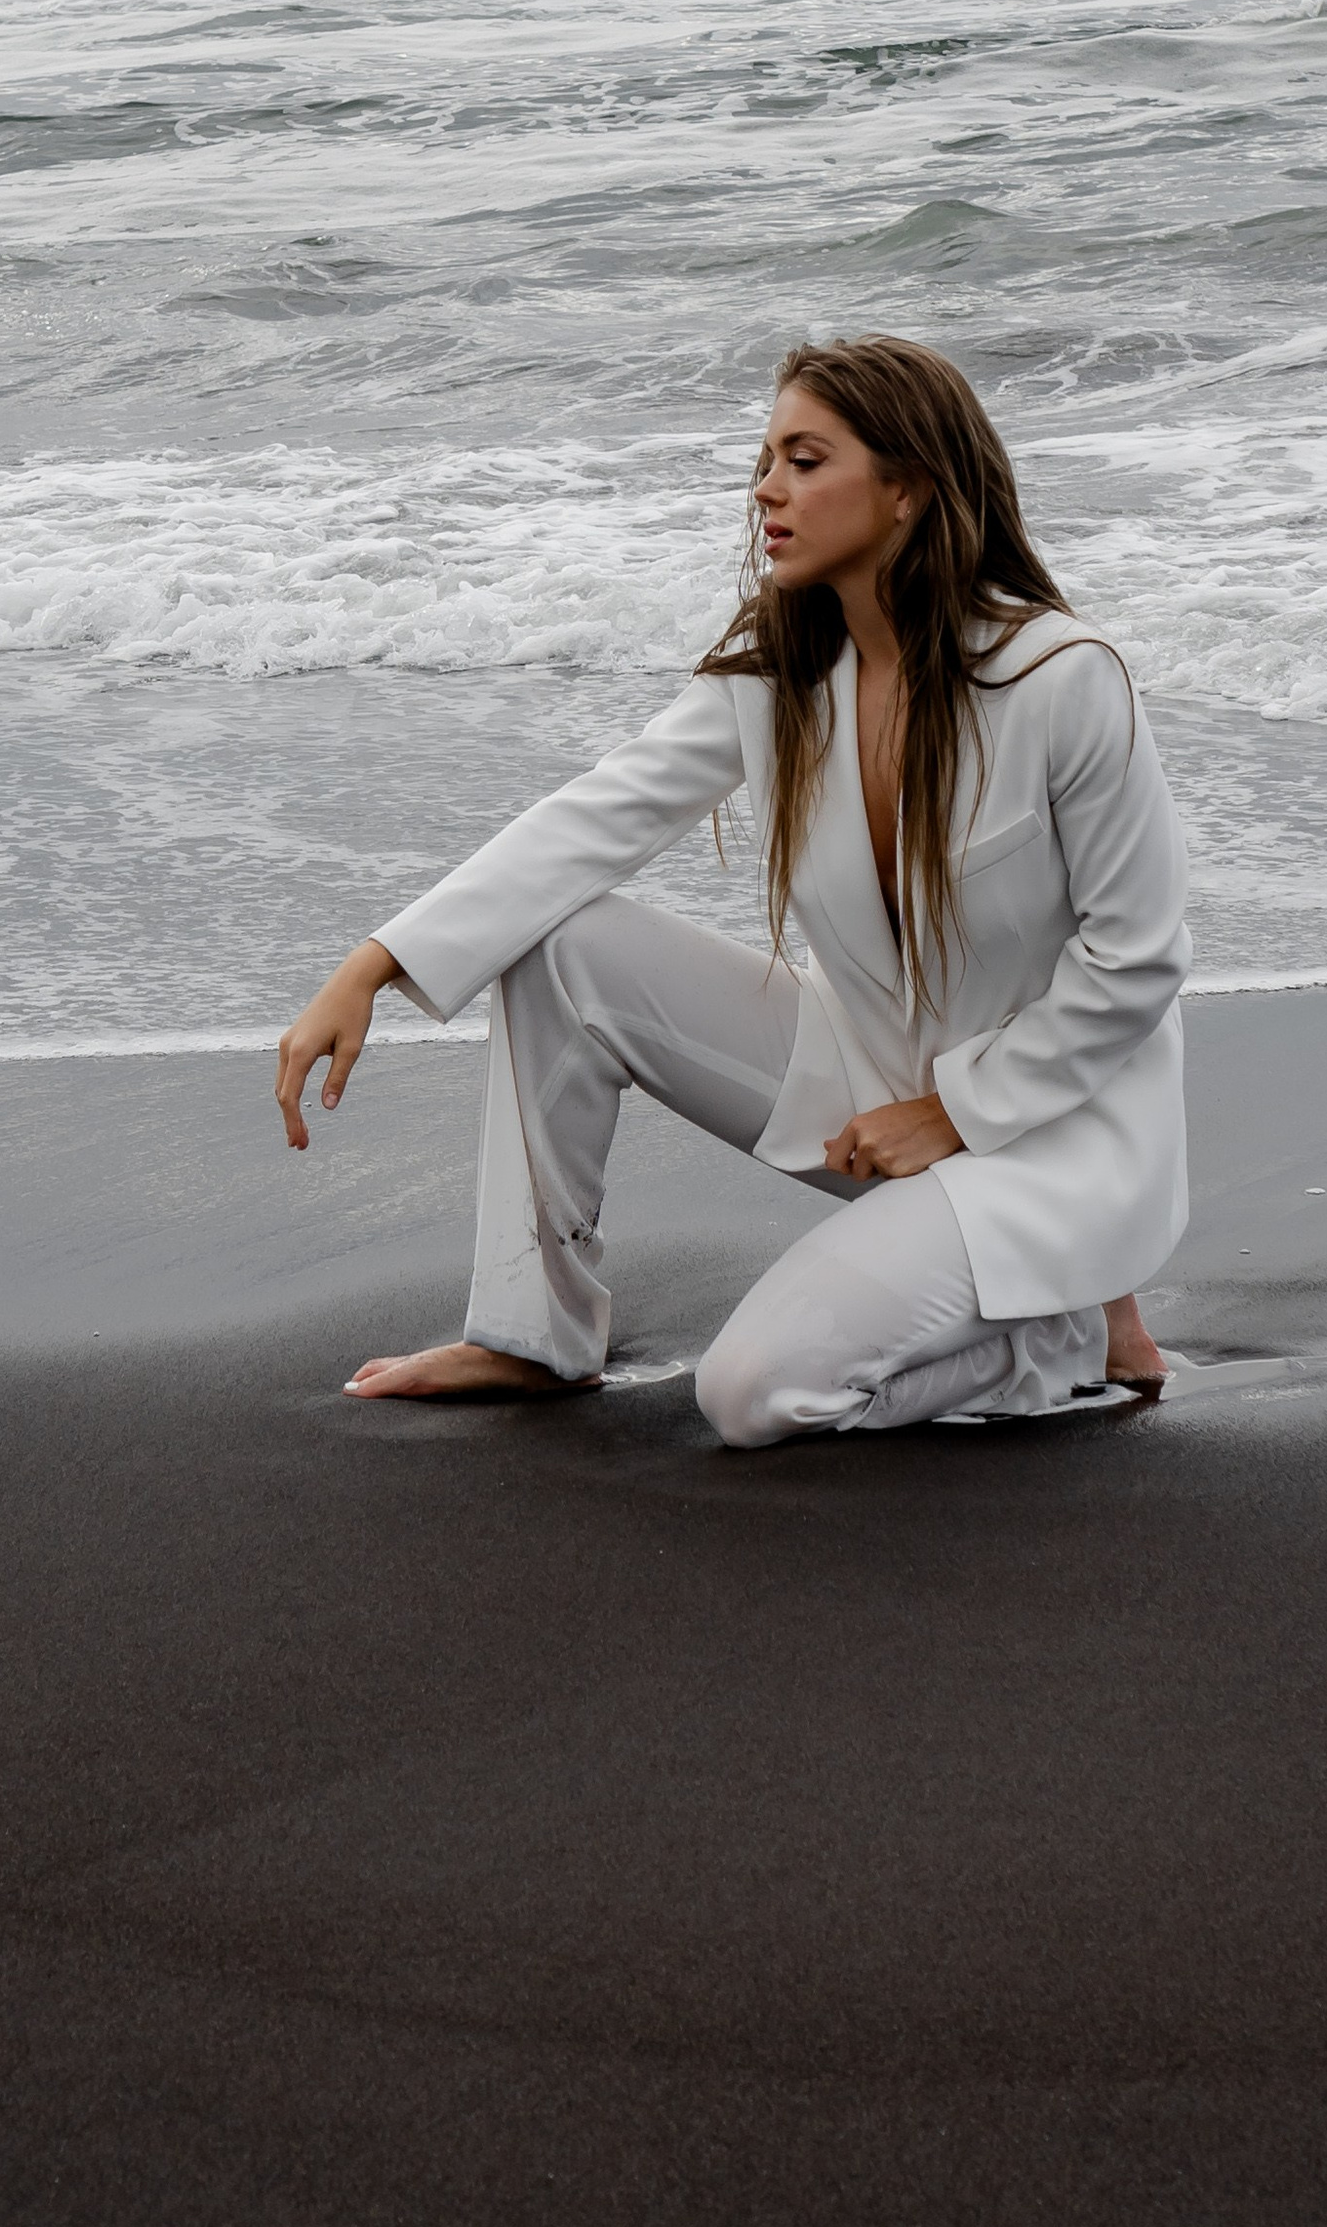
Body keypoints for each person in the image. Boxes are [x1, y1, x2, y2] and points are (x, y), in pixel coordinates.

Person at [275, 333, 1190, 1446]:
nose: (766, 489)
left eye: (805, 461)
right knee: (563, 945)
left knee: (754, 1396)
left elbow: (1137, 958)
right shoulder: (782, 679)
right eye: (766, 461)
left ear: (907, 487)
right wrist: (374, 964)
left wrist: (952, 1112)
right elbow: (591, 820)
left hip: (1050, 1144)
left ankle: (1064, 1337)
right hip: (873, 1087)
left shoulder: (1060, 679)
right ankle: (533, 1336)